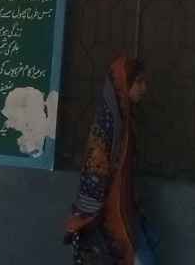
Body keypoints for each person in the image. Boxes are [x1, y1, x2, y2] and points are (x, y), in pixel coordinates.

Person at [63, 57, 156, 264]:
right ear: (124, 83)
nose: (144, 88)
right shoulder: (107, 125)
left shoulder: (127, 123)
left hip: (126, 212)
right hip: (109, 217)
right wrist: (86, 217)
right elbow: (94, 172)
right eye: (139, 82)